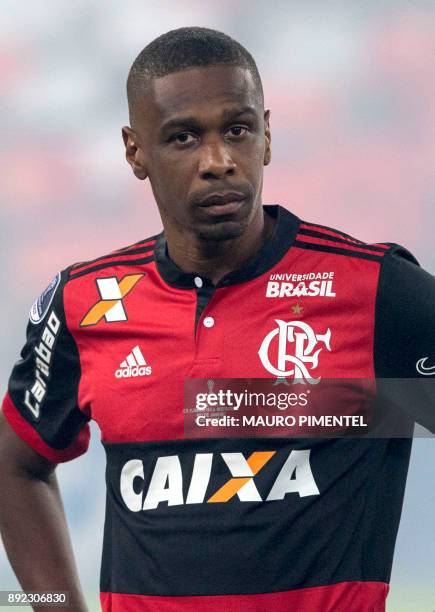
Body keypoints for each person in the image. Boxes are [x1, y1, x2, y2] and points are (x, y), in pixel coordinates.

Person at [0, 26, 434, 612]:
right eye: (183, 137)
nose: (219, 162)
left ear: (268, 134)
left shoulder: (376, 288)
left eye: (238, 129)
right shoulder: (86, 301)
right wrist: (55, 608)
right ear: (135, 151)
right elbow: (14, 462)